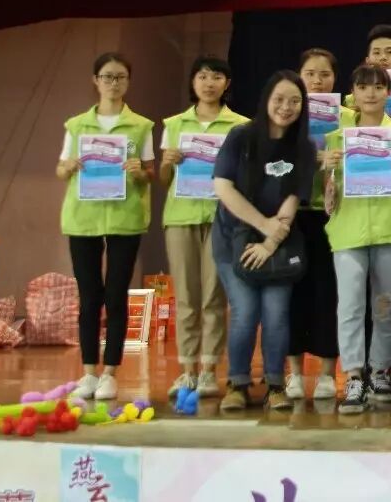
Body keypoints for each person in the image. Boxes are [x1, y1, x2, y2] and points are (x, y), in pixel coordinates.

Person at [212, 70, 317, 411]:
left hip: (279, 243)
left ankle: (275, 385)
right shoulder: (240, 137)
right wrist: (262, 225)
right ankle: (237, 384)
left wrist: (271, 242)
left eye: (295, 101)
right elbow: (223, 187)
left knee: (276, 313)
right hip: (233, 239)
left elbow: (292, 200)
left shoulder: (304, 147)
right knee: (245, 311)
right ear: (266, 100)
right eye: (279, 99)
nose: (286, 107)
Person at [56, 52, 156, 401]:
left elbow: (150, 173)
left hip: (125, 218)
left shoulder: (141, 126)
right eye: (108, 76)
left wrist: (139, 172)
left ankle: (110, 372)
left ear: (128, 81)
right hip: (83, 219)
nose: (114, 83)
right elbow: (60, 170)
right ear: (95, 81)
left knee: (115, 296)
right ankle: (88, 372)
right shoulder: (76, 125)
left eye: (120, 77)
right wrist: (69, 166)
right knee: (89, 298)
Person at [322, 65, 391, 413]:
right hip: (348, 232)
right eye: (364, 87)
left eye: (379, 87)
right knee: (350, 306)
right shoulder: (336, 138)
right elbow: (327, 194)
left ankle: (379, 371)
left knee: (386, 306)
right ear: (353, 93)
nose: (371, 93)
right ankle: (353, 376)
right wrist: (327, 173)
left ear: (389, 93)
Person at [159, 56, 248, 401]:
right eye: (202, 76)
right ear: (193, 82)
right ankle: (187, 371)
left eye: (217, 77)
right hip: (180, 217)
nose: (209, 83)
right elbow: (164, 180)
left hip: (222, 219)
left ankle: (209, 370)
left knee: (213, 296)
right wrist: (167, 163)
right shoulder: (174, 125)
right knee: (186, 297)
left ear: (227, 84)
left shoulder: (240, 126)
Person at [285, 48, 342, 402]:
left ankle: (326, 374)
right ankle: (293, 373)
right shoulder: (286, 114)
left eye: (324, 74)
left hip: (334, 216)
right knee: (292, 294)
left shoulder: (348, 117)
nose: (317, 81)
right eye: (310, 74)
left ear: (334, 78)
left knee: (328, 294)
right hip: (292, 215)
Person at [345, 24, 391, 121]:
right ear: (367, 60)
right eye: (376, 52)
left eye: (390, 52)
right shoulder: (351, 100)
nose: (383, 57)